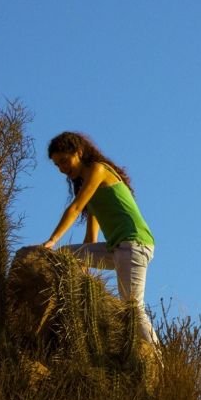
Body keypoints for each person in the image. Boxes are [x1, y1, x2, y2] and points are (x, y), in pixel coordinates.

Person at [42, 131, 160, 348]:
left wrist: (52, 239)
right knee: (65, 255)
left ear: (79, 152)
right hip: (117, 248)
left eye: (64, 161)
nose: (62, 169)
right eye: (57, 164)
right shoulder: (90, 184)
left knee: (133, 308)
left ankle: (160, 364)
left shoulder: (98, 170)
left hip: (134, 244)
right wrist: (84, 263)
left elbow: (76, 207)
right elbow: (91, 235)